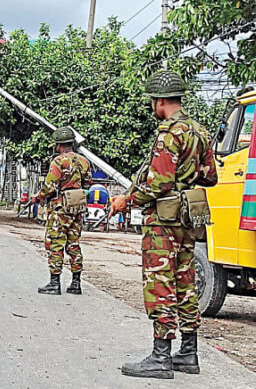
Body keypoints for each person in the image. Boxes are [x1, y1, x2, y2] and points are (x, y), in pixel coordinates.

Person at [111, 70, 218, 379]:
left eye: (152, 102)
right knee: (186, 282)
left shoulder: (169, 133)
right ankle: (188, 353)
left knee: (160, 283)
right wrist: (187, 179)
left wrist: (126, 201)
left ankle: (160, 356)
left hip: (163, 222)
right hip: (188, 220)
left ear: (160, 101)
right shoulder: (199, 131)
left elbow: (158, 183)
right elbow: (211, 177)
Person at [33, 126, 92, 295]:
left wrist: (38, 197)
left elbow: (49, 187)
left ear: (58, 145)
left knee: (55, 243)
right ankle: (76, 283)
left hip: (60, 209)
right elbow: (88, 183)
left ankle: (54, 283)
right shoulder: (84, 161)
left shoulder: (58, 162)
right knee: (74, 244)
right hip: (77, 208)